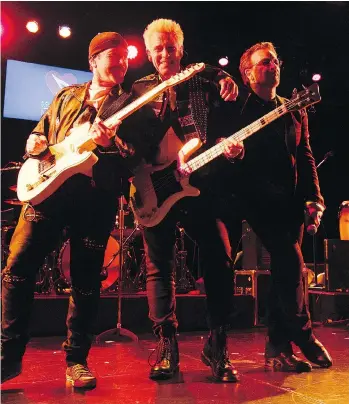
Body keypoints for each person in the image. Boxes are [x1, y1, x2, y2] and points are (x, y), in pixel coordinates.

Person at [1, 32, 136, 388]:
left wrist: (114, 143)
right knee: (17, 268)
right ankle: (7, 357)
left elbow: (135, 160)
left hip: (94, 200)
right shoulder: (67, 95)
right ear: (93, 61)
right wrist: (36, 143)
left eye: (126, 57)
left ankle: (77, 360)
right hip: (48, 191)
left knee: (87, 281)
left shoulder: (132, 103)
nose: (122, 63)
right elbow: (40, 136)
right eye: (114, 56)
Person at [129, 18, 243, 382]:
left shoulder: (203, 80)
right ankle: (166, 346)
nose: (165, 54)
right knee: (158, 266)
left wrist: (227, 80)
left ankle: (217, 343)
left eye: (170, 47)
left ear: (180, 50)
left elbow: (222, 83)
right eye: (158, 48)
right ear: (148, 54)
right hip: (155, 188)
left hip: (199, 184)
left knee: (220, 257)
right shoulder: (138, 89)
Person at [220, 41, 332, 372]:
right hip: (254, 198)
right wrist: (237, 156)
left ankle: (278, 348)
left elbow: (305, 154)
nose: (274, 66)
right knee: (290, 260)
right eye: (265, 62)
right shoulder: (238, 108)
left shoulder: (293, 106)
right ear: (247, 73)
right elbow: (228, 156)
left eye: (276, 61)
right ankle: (304, 334)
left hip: (290, 200)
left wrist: (315, 197)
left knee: (285, 270)